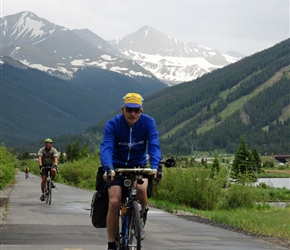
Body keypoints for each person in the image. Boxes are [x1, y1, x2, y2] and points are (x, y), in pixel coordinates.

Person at [100, 92, 162, 250]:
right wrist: (108, 168)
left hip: (138, 165)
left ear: (141, 110)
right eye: (129, 110)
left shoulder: (148, 122)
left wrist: (155, 167)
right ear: (123, 109)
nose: (133, 114)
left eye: (137, 110)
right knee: (114, 202)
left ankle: (140, 217)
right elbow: (106, 147)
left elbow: (154, 145)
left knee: (141, 189)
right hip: (116, 166)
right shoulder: (113, 124)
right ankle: (111, 243)